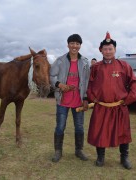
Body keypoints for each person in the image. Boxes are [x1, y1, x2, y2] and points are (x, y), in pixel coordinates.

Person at [86, 32, 136, 169]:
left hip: (119, 106)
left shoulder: (124, 66)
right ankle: (100, 157)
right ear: (101, 50)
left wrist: (129, 99)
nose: (108, 51)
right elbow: (90, 84)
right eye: (105, 49)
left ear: (115, 50)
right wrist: (93, 98)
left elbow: (134, 82)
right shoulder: (95, 67)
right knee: (99, 132)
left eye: (110, 49)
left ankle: (124, 158)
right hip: (101, 107)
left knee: (123, 133)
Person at [50, 34, 90, 162]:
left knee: (79, 127)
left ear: (80, 46)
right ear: (68, 45)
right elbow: (51, 76)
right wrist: (59, 85)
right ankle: (58, 151)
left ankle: (79, 151)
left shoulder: (85, 62)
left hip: (78, 101)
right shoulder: (60, 60)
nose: (74, 46)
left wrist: (85, 98)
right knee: (60, 127)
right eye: (72, 43)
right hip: (62, 101)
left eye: (77, 43)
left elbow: (87, 81)